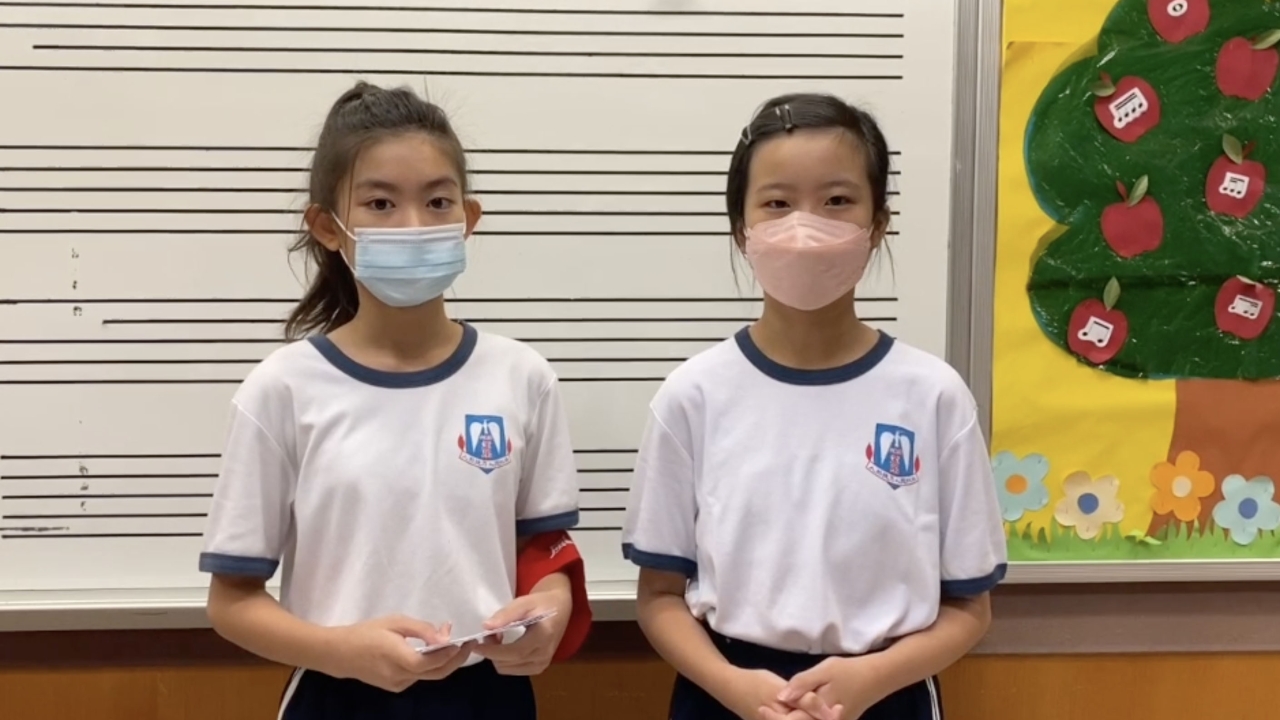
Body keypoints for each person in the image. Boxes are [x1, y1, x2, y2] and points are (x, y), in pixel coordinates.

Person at [198, 81, 591, 720]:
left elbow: (542, 547)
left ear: (468, 218)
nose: (413, 225)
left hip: (489, 697)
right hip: (338, 696)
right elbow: (232, 601)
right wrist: (339, 651)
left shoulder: (522, 376)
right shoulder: (282, 390)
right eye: (380, 203)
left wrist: (552, 605)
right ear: (327, 227)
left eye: (437, 201)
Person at [621, 93, 1007, 720]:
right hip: (727, 695)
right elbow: (659, 596)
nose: (805, 227)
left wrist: (872, 678)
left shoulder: (934, 396)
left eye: (837, 201)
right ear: (741, 228)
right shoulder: (693, 395)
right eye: (777, 203)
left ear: (877, 224)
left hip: (885, 694)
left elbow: (969, 607)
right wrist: (734, 687)